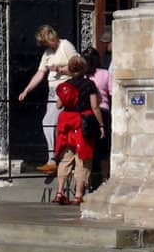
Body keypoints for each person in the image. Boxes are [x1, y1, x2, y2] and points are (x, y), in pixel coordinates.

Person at [17, 24, 77, 174]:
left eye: (45, 42)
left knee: (48, 122)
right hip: (52, 91)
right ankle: (57, 157)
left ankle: (53, 159)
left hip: (65, 90)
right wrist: (27, 90)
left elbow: (78, 68)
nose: (45, 46)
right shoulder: (47, 53)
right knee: (54, 124)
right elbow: (40, 73)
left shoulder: (66, 46)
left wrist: (61, 69)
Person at [52, 55, 104, 206]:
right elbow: (94, 106)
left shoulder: (65, 85)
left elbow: (58, 105)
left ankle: (60, 192)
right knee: (83, 158)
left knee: (65, 158)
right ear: (83, 68)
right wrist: (101, 125)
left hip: (67, 123)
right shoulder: (89, 85)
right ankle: (78, 195)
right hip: (82, 123)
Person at [82, 47, 112, 187]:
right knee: (103, 147)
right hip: (103, 111)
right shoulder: (106, 74)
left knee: (87, 146)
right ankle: (105, 178)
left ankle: (85, 180)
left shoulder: (82, 76)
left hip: (86, 114)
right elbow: (112, 92)